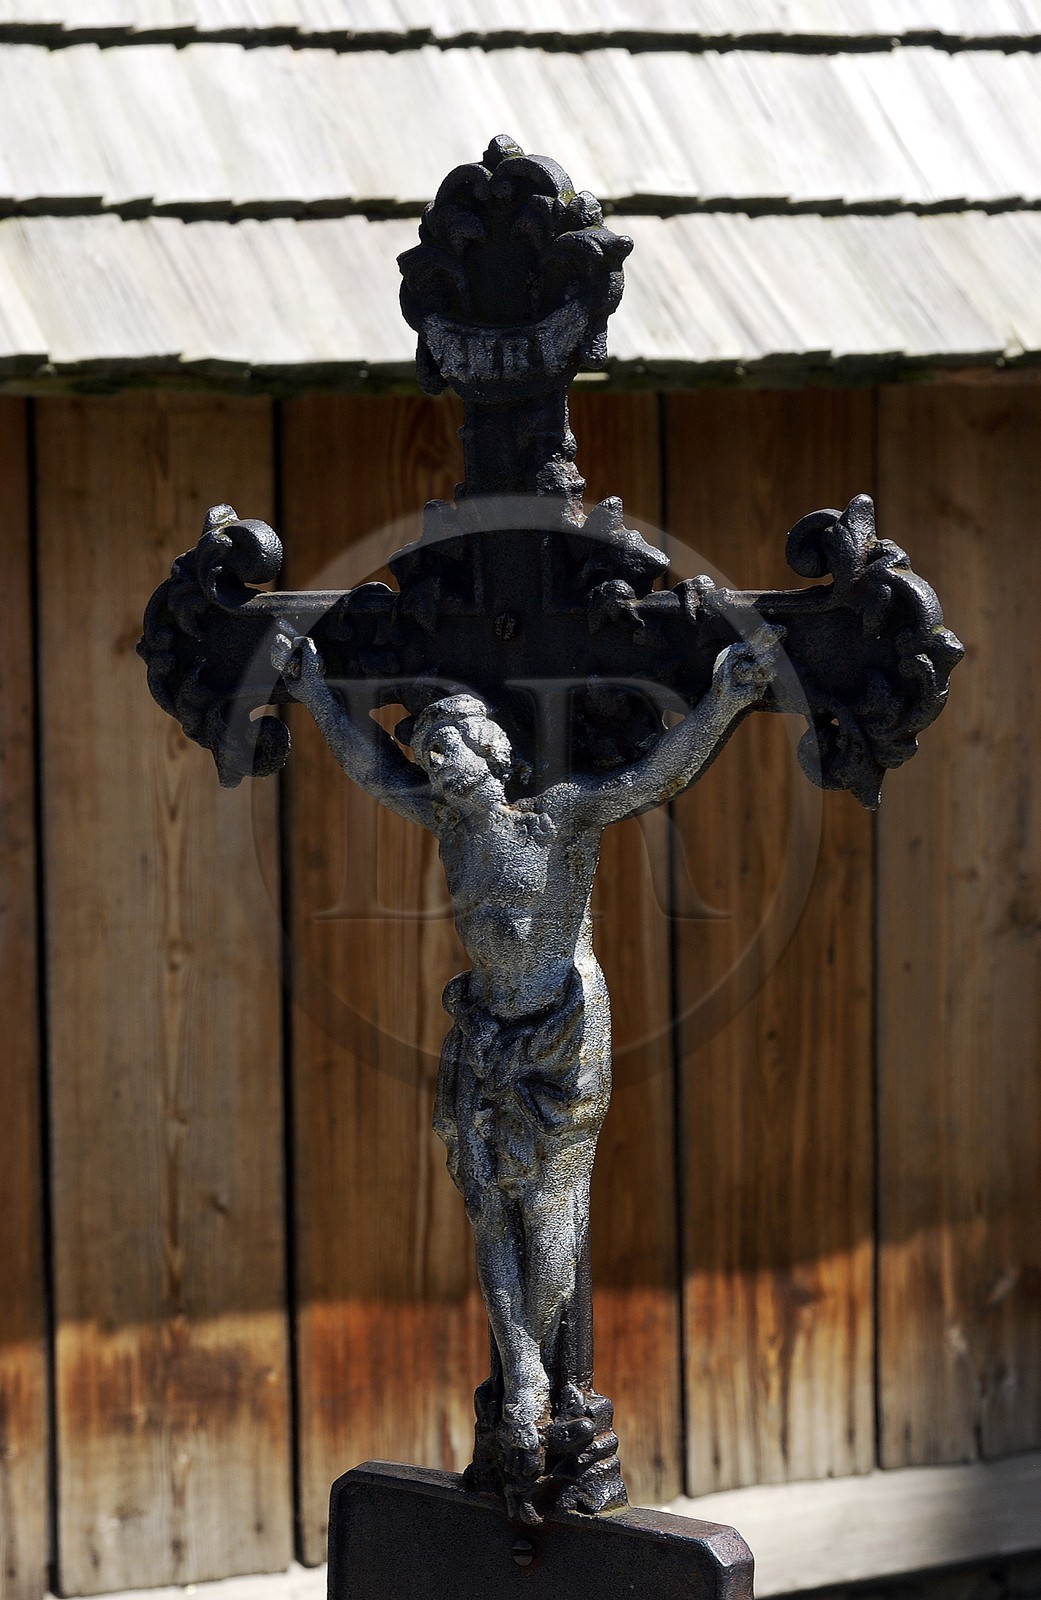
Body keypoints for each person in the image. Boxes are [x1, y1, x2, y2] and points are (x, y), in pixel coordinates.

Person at [272, 622, 781, 1516]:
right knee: (483, 1201)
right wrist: (315, 698)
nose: (434, 766)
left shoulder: (558, 815)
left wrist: (727, 699)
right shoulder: (445, 823)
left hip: (556, 1031)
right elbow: (369, 771)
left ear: (495, 752)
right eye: (428, 753)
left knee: (547, 1206)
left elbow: (654, 777)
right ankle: (528, 1375)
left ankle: (530, 1380)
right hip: (482, 1031)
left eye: (450, 748)